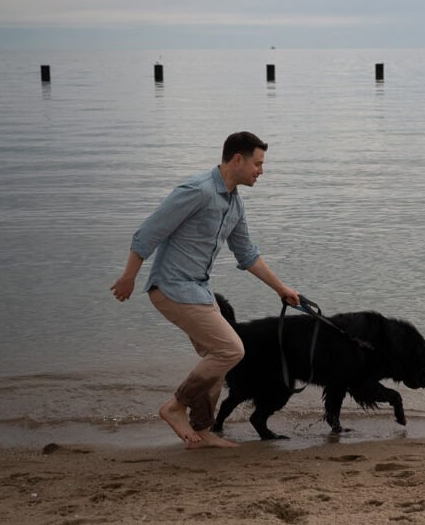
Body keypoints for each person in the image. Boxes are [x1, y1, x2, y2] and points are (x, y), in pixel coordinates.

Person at [110, 131, 301, 449]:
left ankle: (200, 430)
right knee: (232, 350)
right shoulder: (196, 191)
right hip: (171, 288)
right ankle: (175, 406)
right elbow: (148, 232)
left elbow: (247, 254)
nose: (261, 171)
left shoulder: (235, 205)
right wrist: (129, 276)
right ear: (237, 159)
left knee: (218, 357)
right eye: (258, 163)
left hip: (199, 291)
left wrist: (281, 289)